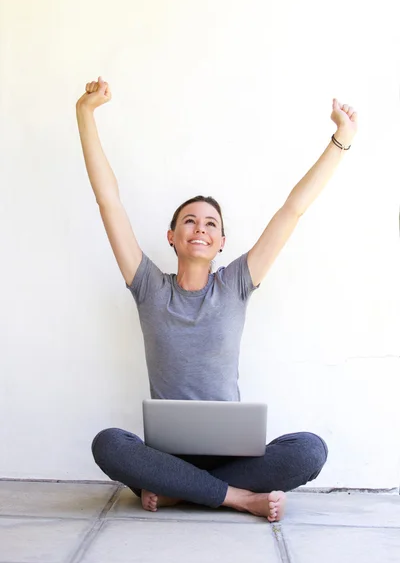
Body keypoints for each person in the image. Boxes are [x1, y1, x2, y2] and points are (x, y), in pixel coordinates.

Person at [76, 76, 358, 522]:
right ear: (172, 236)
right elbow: (108, 200)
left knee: (309, 450)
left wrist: (341, 140)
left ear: (222, 241)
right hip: (168, 456)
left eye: (210, 224)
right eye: (189, 221)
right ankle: (237, 499)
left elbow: (292, 209)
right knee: (108, 443)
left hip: (230, 458)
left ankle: (183, 493)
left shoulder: (236, 284)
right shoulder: (149, 286)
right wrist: (85, 113)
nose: (200, 228)